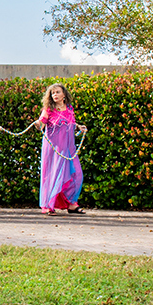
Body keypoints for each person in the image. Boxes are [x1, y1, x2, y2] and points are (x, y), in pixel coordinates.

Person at [36, 83, 87, 216]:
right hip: (54, 149)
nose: (55, 95)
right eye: (53, 93)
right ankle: (48, 205)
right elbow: (42, 123)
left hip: (69, 149)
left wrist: (78, 127)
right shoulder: (48, 110)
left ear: (64, 94)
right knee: (53, 175)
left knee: (76, 175)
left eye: (57, 92)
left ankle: (71, 205)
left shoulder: (69, 108)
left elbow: (68, 122)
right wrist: (38, 124)